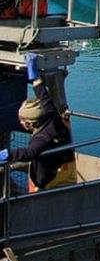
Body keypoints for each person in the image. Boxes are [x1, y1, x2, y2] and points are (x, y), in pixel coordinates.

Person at [0, 54, 76, 191]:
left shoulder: (42, 137)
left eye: (22, 121)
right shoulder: (52, 116)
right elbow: (43, 95)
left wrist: (7, 154)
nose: (20, 123)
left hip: (51, 182)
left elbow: (30, 152)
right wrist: (34, 75)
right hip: (63, 169)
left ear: (29, 124)